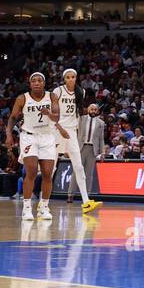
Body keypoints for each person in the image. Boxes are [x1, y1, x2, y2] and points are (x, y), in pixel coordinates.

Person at [6, 71, 70, 222]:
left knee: (48, 173)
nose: (36, 83)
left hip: (47, 136)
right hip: (29, 136)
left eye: (39, 80)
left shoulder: (52, 96)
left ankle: (43, 206)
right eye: (33, 80)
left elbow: (57, 117)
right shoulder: (22, 98)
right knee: (32, 171)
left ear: (44, 83)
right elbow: (13, 118)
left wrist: (48, 113)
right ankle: (27, 208)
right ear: (30, 83)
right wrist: (9, 134)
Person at [54, 69, 103, 215]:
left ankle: (86, 201)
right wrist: (58, 127)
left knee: (79, 167)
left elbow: (77, 111)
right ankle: (42, 203)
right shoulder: (58, 91)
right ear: (64, 79)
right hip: (57, 130)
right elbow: (53, 112)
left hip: (72, 132)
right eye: (68, 77)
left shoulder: (80, 92)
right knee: (50, 168)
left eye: (73, 77)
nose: (71, 79)